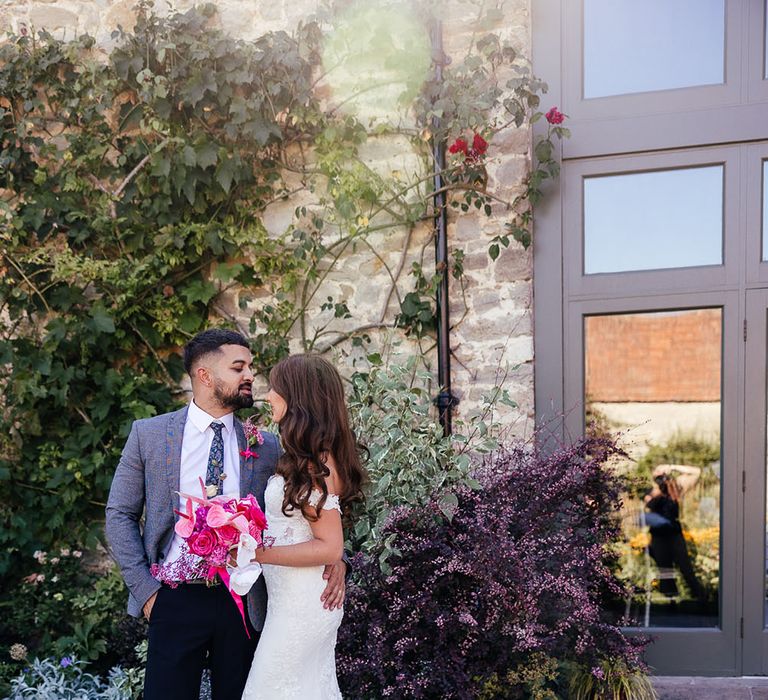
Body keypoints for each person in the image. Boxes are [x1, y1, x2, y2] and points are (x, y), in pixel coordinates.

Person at [105, 330, 346, 700]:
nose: (250, 375)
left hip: (245, 600)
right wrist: (147, 592)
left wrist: (336, 557)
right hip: (173, 597)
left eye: (250, 366)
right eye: (239, 367)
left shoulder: (268, 444)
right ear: (205, 375)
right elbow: (119, 514)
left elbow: (309, 507)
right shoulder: (149, 435)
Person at [241, 353, 367, 700]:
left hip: (305, 605)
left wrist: (257, 553)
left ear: (298, 398)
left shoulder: (317, 463)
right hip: (289, 602)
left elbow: (329, 546)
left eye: (276, 388)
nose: (268, 396)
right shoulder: (303, 457)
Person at [644, 468, 705, 601]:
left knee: (685, 566)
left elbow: (696, 472)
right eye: (658, 477)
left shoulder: (675, 489)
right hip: (659, 535)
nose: (662, 480)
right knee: (665, 570)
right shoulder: (652, 492)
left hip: (674, 534)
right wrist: (658, 490)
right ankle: (670, 601)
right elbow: (649, 505)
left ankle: (700, 597)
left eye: (663, 477)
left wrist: (672, 467)